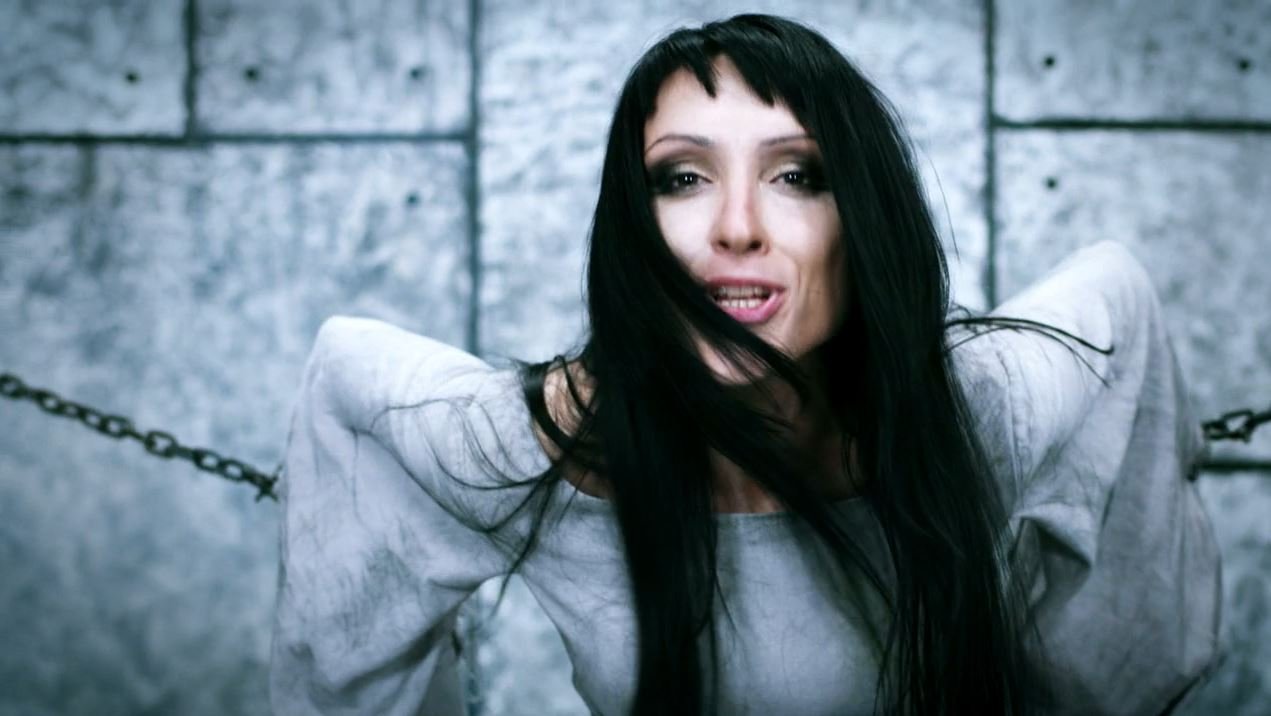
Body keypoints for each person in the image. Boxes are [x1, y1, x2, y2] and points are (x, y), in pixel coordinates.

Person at [268, 14, 1222, 716]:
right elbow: (351, 376)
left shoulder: (980, 406)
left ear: (863, 217)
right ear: (634, 227)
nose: (735, 226)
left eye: (796, 175)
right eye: (681, 178)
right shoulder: (549, 447)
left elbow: (1115, 299)